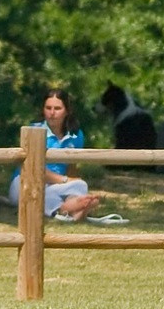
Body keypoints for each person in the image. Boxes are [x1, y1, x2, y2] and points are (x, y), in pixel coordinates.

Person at [9, 88, 102, 222]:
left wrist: (73, 182)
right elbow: (34, 170)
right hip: (27, 181)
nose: (52, 113)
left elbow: (72, 167)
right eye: (48, 108)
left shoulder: (75, 135)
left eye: (57, 108)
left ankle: (76, 206)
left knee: (81, 185)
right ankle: (67, 208)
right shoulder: (34, 130)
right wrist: (64, 180)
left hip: (55, 185)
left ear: (67, 111)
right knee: (39, 193)